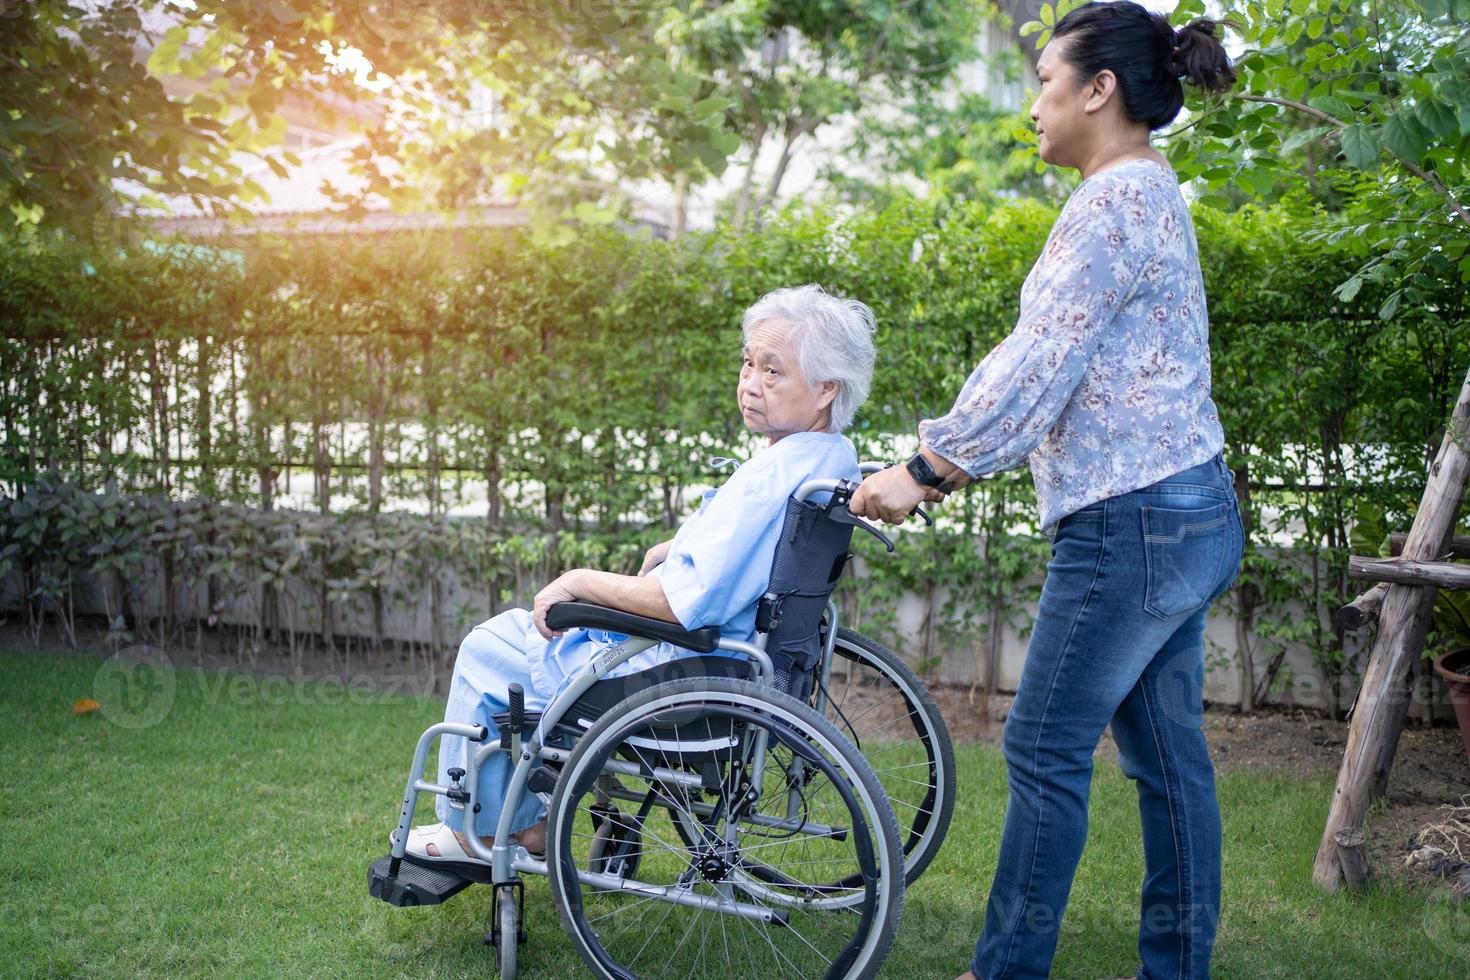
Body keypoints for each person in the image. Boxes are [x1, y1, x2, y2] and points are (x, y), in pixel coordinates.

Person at [849, 4, 1242, 978]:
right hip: (1189, 509)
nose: (1033, 104)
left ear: (1098, 89)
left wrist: (928, 467)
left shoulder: (1111, 206)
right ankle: (1174, 967)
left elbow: (1040, 362)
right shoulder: (1153, 193)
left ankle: (1005, 968)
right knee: (1165, 756)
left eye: (1045, 81)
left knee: (1043, 746)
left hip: (1133, 522)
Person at [403, 283, 876, 866]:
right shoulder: (827, 457)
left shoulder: (764, 480)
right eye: (748, 362)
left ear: (826, 387)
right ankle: (527, 810)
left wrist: (576, 581)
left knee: (488, 647)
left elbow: (679, 605)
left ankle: (495, 832)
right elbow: (760, 550)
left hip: (684, 673)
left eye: (773, 371)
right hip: (739, 662)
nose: (750, 382)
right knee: (516, 645)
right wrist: (684, 545)